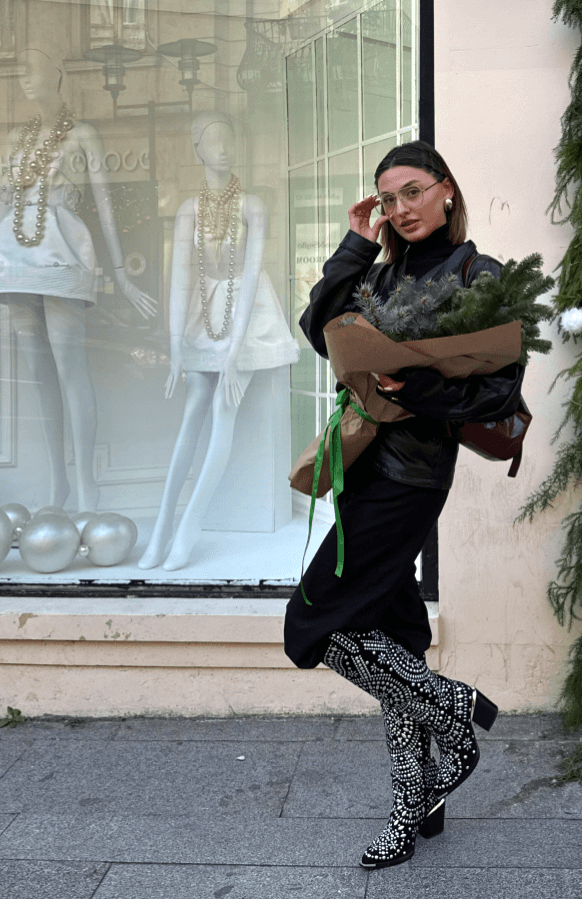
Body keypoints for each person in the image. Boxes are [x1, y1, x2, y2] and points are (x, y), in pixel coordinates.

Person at [283, 141, 526, 868]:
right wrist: (356, 244)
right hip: (361, 466)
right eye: (388, 199)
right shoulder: (379, 272)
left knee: (313, 622)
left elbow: (497, 391)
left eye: (413, 191)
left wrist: (418, 387)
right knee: (393, 638)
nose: (400, 208)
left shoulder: (479, 276)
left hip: (412, 476)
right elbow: (318, 329)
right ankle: (415, 804)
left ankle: (455, 714)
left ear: (446, 190)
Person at [0, 43, 156, 512]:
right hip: (14, 260)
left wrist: (120, 274)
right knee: (39, 376)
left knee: (70, 370)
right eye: (20, 69)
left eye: (33, 66)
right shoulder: (16, 139)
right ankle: (57, 483)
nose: (24, 75)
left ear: (57, 72)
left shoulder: (82, 135)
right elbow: (3, 202)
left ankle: (86, 486)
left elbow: (105, 206)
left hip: (62, 253)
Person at [137, 111, 299, 571]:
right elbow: (179, 279)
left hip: (247, 315)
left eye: (229, 141)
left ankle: (187, 531)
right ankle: (162, 529)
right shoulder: (188, 210)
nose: (223, 150)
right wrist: (175, 351)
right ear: (198, 151)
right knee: (192, 412)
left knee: (221, 416)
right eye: (213, 142)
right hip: (203, 315)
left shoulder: (252, 207)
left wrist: (234, 350)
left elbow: (251, 273)